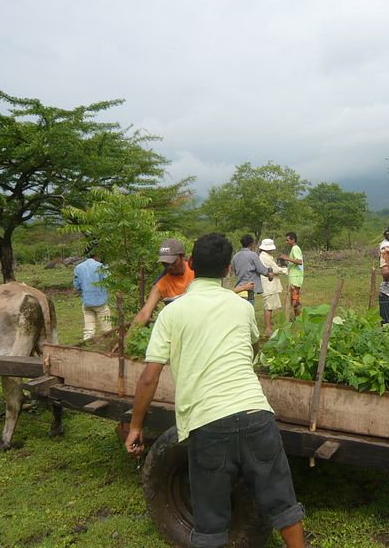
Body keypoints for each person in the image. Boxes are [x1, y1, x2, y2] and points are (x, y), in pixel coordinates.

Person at [125, 233, 305, 548]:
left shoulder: (172, 314)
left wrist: (136, 426)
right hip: (256, 415)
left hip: (207, 423)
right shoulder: (241, 307)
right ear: (227, 271)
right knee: (283, 502)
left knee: (210, 519)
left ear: (191, 263)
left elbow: (149, 378)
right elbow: (251, 349)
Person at [133, 238, 195, 326]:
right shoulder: (161, 284)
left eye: (173, 262)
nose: (169, 267)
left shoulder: (195, 270)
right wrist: (128, 338)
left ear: (182, 256)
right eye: (165, 264)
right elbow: (144, 313)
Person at [73, 249, 112, 341]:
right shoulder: (101, 266)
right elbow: (109, 281)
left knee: (88, 330)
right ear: (97, 255)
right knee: (107, 329)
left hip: (87, 302)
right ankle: (108, 344)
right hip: (100, 302)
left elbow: (76, 285)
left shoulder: (78, 267)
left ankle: (87, 344)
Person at [258, 238, 288, 336]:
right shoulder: (265, 257)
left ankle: (269, 325)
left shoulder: (266, 256)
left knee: (269, 305)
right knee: (269, 306)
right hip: (268, 283)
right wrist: (284, 270)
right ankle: (268, 328)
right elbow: (274, 269)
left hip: (269, 282)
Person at [231, 234, 273, 305]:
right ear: (252, 244)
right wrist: (269, 274)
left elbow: (234, 271)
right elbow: (261, 269)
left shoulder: (236, 256)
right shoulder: (253, 255)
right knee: (249, 312)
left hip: (238, 289)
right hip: (249, 289)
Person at [278, 232, 303, 317]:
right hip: (293, 277)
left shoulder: (295, 248)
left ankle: (299, 318)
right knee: (294, 299)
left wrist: (286, 258)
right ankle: (297, 317)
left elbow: (299, 261)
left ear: (293, 240)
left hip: (296, 278)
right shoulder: (293, 249)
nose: (286, 242)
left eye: (287, 240)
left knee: (295, 300)